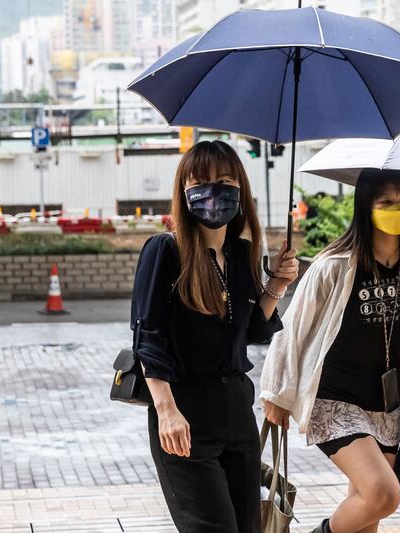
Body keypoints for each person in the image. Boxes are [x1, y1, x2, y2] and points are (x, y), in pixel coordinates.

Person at [260, 169, 400, 533]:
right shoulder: (335, 266)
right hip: (336, 400)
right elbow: (293, 328)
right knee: (383, 495)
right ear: (366, 206)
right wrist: (275, 393)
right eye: (387, 202)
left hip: (389, 405)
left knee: (368, 514)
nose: (398, 209)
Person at [131, 140, 299, 533]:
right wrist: (166, 411)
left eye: (224, 180)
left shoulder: (240, 255)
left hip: (236, 412)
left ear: (240, 188)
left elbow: (253, 331)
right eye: (200, 181)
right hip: (184, 411)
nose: (213, 191)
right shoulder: (165, 251)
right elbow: (148, 337)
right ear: (183, 191)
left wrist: (275, 285)